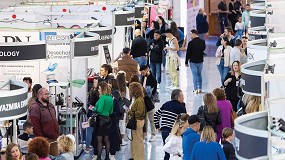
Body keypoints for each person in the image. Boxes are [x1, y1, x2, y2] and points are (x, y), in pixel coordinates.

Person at [154, 89, 186, 160]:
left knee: (167, 151)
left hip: (164, 131)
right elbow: (183, 122)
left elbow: (156, 115)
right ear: (178, 97)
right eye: (182, 96)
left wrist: (157, 126)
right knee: (177, 152)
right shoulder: (181, 107)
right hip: (174, 132)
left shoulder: (166, 104)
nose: (183, 97)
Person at [29, 88, 59, 156]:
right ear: (39, 95)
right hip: (45, 140)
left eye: (48, 94)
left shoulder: (51, 106)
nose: (48, 96)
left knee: (55, 157)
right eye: (45, 94)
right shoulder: (35, 108)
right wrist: (42, 140)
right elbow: (35, 126)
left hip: (54, 138)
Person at [92, 82, 113, 160]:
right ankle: (107, 157)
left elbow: (99, 110)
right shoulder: (110, 97)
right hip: (108, 120)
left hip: (100, 120)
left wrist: (93, 108)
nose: (98, 90)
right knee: (107, 139)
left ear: (102, 89)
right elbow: (111, 111)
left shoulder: (102, 97)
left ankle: (99, 157)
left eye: (99, 89)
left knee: (99, 140)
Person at [128, 82, 146, 160]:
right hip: (137, 121)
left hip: (137, 122)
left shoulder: (139, 100)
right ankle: (134, 156)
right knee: (134, 140)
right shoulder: (138, 99)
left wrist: (130, 112)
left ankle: (139, 158)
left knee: (138, 141)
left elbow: (139, 113)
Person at [185, 29, 206, 94]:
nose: (190, 35)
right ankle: (200, 88)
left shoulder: (191, 43)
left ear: (194, 34)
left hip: (193, 61)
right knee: (199, 74)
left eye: (190, 34)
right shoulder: (202, 42)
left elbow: (188, 53)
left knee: (194, 75)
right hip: (200, 61)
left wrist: (186, 61)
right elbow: (203, 49)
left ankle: (195, 88)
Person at [116, 71, 130, 146]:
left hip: (115, 108)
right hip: (122, 109)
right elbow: (127, 99)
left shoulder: (115, 88)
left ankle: (116, 139)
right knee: (122, 123)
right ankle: (122, 139)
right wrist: (126, 108)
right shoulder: (126, 88)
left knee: (116, 123)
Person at [86, 77, 100, 153]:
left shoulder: (94, 92)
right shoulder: (93, 91)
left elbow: (91, 103)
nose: (94, 84)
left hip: (93, 112)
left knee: (89, 129)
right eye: (94, 82)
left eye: (96, 82)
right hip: (95, 112)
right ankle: (91, 145)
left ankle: (88, 146)